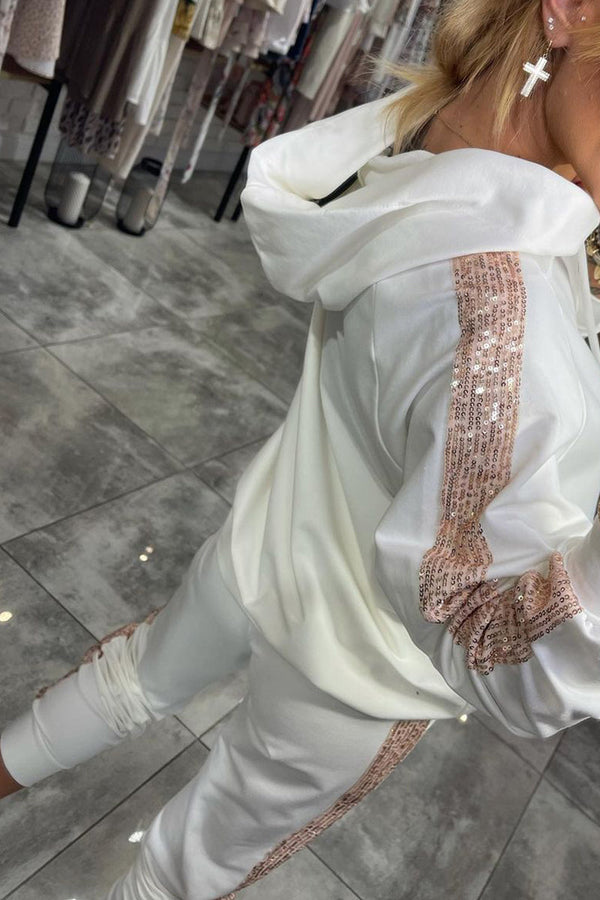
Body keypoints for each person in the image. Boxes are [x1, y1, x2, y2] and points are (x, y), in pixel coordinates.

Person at [3, 0, 600, 896]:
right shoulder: (503, 319)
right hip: (357, 677)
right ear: (570, 10)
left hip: (266, 543)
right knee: (179, 870)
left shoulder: (424, 146)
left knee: (133, 680)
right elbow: (509, 666)